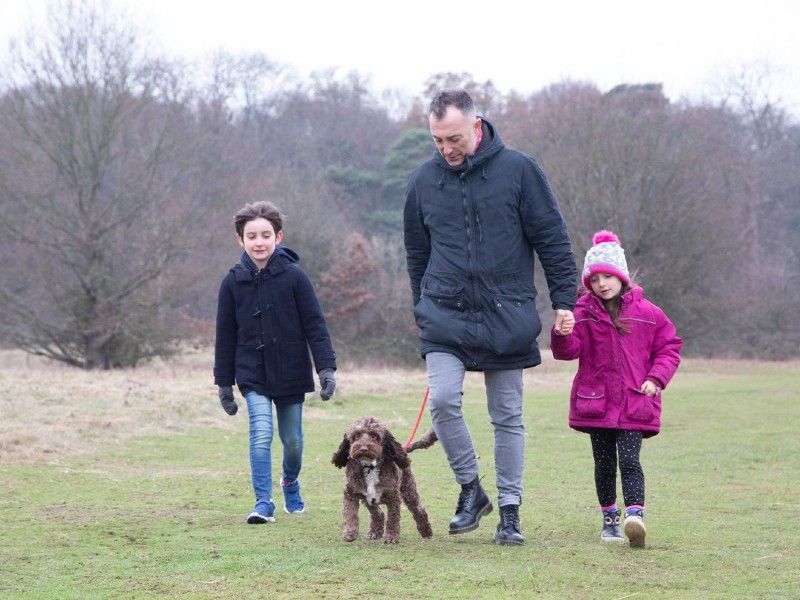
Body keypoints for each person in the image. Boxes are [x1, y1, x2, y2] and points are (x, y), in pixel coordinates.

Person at [404, 89, 578, 546]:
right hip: (444, 313)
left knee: (507, 415)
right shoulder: (422, 182)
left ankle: (510, 511)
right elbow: (416, 254)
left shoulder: (520, 170)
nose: (446, 149)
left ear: (476, 125)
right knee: (442, 401)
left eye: (454, 138)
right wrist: (420, 306)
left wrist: (565, 300)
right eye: (438, 140)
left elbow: (553, 240)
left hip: (507, 314)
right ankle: (470, 490)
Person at [551, 230, 682, 548]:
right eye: (595, 279)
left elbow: (669, 348)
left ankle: (635, 516)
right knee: (604, 464)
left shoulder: (649, 313)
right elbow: (568, 352)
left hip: (635, 401)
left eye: (608, 277)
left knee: (630, 461)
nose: (602, 284)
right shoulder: (581, 313)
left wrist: (656, 378)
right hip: (595, 402)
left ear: (621, 276)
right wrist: (562, 333)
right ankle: (610, 518)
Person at [214, 201, 337, 524]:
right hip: (251, 373)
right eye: (251, 236)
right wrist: (223, 384)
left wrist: (326, 368)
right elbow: (224, 337)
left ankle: (290, 482)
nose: (259, 242)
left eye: (265, 235)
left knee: (293, 442)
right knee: (260, 433)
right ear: (240, 240)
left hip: (291, 372)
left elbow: (315, 325)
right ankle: (263, 502)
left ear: (278, 237)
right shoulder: (231, 283)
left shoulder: (296, 278)